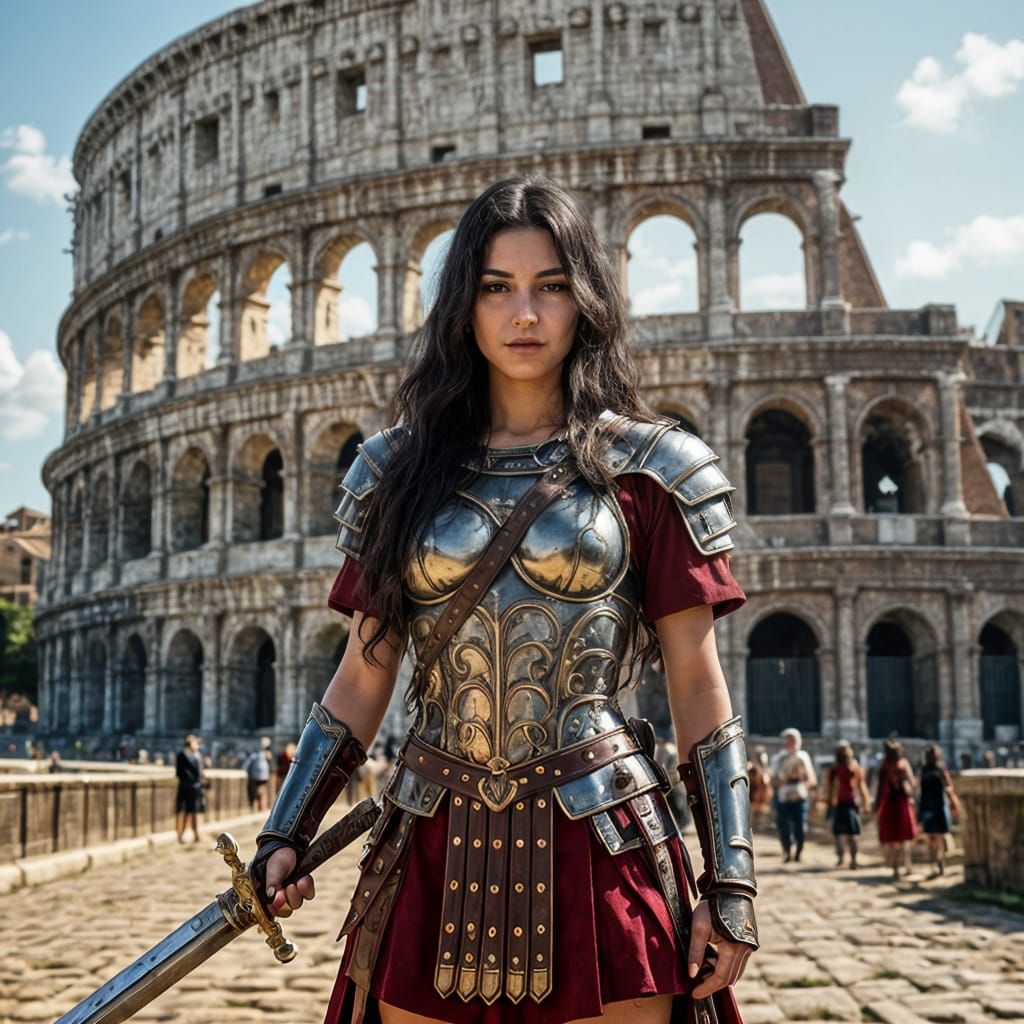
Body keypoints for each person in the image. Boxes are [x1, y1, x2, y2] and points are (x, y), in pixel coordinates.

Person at [247, 177, 759, 1024]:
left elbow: (698, 684)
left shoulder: (654, 470)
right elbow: (363, 675)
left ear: (585, 299)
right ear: (464, 305)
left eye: (551, 286)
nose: (525, 314)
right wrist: (286, 830)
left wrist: (731, 878)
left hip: (601, 839)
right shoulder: (394, 473)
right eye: (497, 287)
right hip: (431, 834)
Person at [770, 727, 817, 862]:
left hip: (800, 796)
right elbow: (773, 780)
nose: (793, 742)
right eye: (790, 740)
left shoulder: (803, 757)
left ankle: (798, 853)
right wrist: (784, 780)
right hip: (783, 797)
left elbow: (812, 780)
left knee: (800, 826)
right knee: (783, 826)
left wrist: (802, 782)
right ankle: (787, 851)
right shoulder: (778, 758)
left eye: (795, 740)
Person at [822, 741, 871, 869]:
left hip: (851, 804)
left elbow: (861, 785)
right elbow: (830, 788)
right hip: (839, 803)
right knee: (840, 833)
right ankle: (842, 858)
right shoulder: (835, 769)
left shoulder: (854, 768)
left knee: (851, 834)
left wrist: (866, 802)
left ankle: (852, 860)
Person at [874, 737, 918, 878]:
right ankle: (906, 864)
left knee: (895, 837)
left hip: (890, 804)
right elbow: (912, 783)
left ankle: (896, 864)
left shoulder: (885, 766)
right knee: (905, 836)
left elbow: (879, 789)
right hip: (901, 804)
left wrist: (877, 805)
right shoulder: (903, 764)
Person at [917, 744, 960, 877]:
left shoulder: (938, 770)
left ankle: (939, 863)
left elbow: (949, 787)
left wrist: (952, 802)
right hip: (931, 807)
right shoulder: (926, 770)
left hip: (937, 806)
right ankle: (936, 863)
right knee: (933, 838)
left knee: (937, 838)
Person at [174, 734, 204, 844]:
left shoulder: (196, 755)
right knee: (184, 812)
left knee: (194, 811)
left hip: (195, 788)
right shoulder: (182, 755)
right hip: (186, 788)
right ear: (190, 744)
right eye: (195, 743)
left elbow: (199, 771)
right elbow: (180, 773)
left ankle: (195, 833)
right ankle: (181, 835)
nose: (197, 745)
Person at [748, 745, 773, 830]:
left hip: (761, 796)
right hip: (753, 794)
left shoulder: (765, 766)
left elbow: (766, 780)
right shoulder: (752, 765)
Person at [243, 740, 272, 811]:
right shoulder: (266, 755)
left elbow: (245, 766)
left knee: (255, 794)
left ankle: (256, 809)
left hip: (255, 777)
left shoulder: (254, 756)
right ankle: (262, 808)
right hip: (264, 777)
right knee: (263, 792)